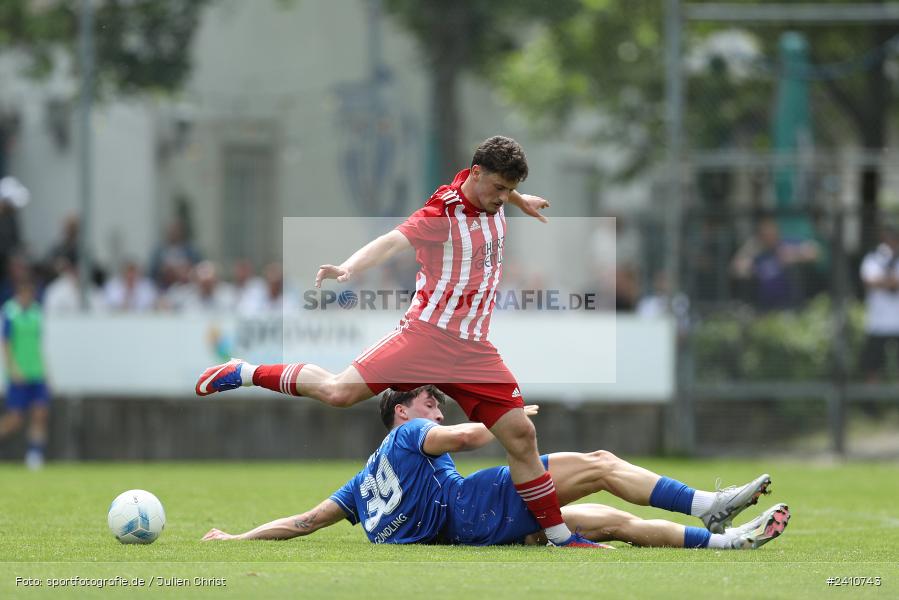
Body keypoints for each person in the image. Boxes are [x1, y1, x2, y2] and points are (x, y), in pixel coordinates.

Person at [195, 136, 601, 547]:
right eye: (499, 188)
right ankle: (245, 371)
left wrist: (519, 199)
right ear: (476, 174)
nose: (502, 197)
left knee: (521, 436)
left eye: (508, 189)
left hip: (473, 348)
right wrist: (349, 266)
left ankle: (559, 537)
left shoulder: (494, 195)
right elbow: (392, 240)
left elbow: (499, 192)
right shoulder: (441, 213)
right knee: (338, 392)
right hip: (426, 337)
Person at [202, 386, 789, 549]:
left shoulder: (363, 481)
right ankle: (709, 506)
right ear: (401, 410)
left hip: (472, 531)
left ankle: (727, 541)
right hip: (475, 506)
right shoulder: (409, 433)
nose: (437, 409)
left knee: (609, 520)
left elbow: (305, 522)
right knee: (601, 464)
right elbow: (467, 435)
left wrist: (237, 540)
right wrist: (507, 419)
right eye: (429, 401)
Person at [0, 276, 50, 469]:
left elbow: (38, 344)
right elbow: (6, 344)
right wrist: (12, 369)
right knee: (15, 419)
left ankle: (34, 454)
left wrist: (46, 370)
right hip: (18, 374)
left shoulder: (36, 312)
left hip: (36, 372)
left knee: (40, 412)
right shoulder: (10, 312)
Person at [859, 223, 899, 382]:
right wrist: (890, 281)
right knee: (873, 366)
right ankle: (872, 397)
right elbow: (868, 281)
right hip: (877, 323)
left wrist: (881, 282)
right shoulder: (873, 258)